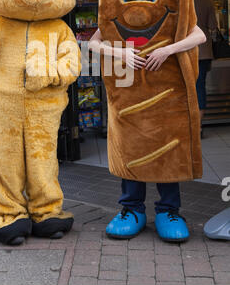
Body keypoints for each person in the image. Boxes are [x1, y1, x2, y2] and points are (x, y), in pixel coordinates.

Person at [88, 22, 206, 240]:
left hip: (165, 94)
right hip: (130, 95)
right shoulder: (118, 14)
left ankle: (168, 211)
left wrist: (168, 49)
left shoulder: (172, 11)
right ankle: (132, 209)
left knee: (166, 152)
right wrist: (119, 52)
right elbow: (94, 43)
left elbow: (199, 36)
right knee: (132, 150)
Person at [193, 0, 218, 138]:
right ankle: (198, 127)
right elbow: (213, 26)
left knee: (184, 88)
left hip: (181, 51)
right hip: (203, 51)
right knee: (199, 87)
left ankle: (186, 124)